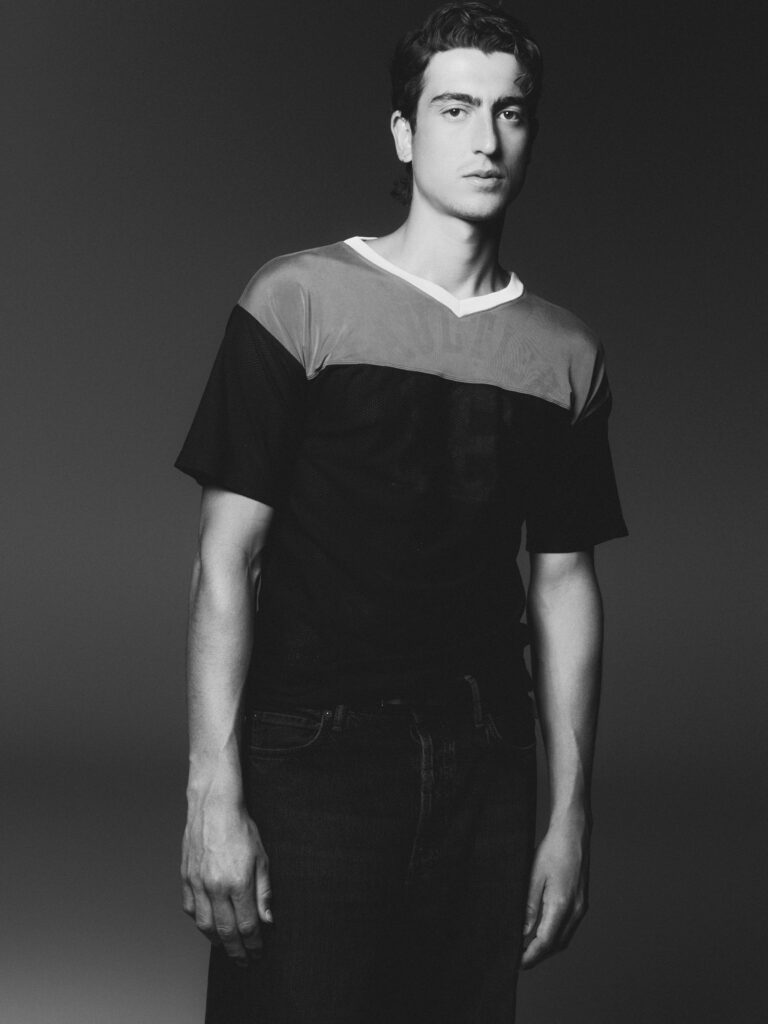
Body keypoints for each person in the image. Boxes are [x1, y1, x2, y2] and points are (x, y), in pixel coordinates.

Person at [175, 3, 628, 1021]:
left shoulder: (566, 354)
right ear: (403, 132)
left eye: (510, 112)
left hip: (484, 763)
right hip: (313, 753)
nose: (485, 138)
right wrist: (212, 792)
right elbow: (226, 560)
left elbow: (564, 584)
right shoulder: (297, 299)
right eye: (455, 108)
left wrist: (569, 816)